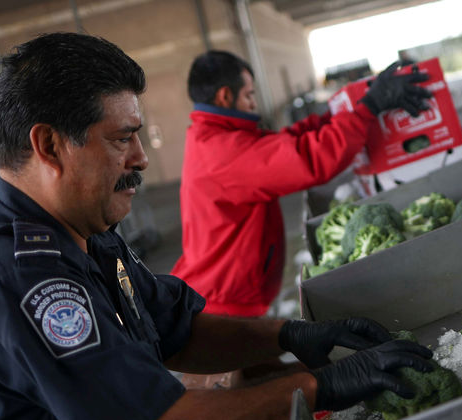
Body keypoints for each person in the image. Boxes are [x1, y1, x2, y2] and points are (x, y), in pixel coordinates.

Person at [0, 33, 434, 420]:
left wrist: (289, 335)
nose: (140, 157)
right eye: (121, 138)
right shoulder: (19, 279)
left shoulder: (84, 232)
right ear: (49, 145)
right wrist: (324, 386)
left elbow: (177, 329)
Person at [170, 50, 432, 318]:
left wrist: (333, 114)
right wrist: (369, 108)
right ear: (224, 96)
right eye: (249, 95)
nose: (254, 104)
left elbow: (282, 144)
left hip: (221, 292)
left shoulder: (211, 137)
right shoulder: (222, 152)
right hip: (220, 303)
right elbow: (309, 158)